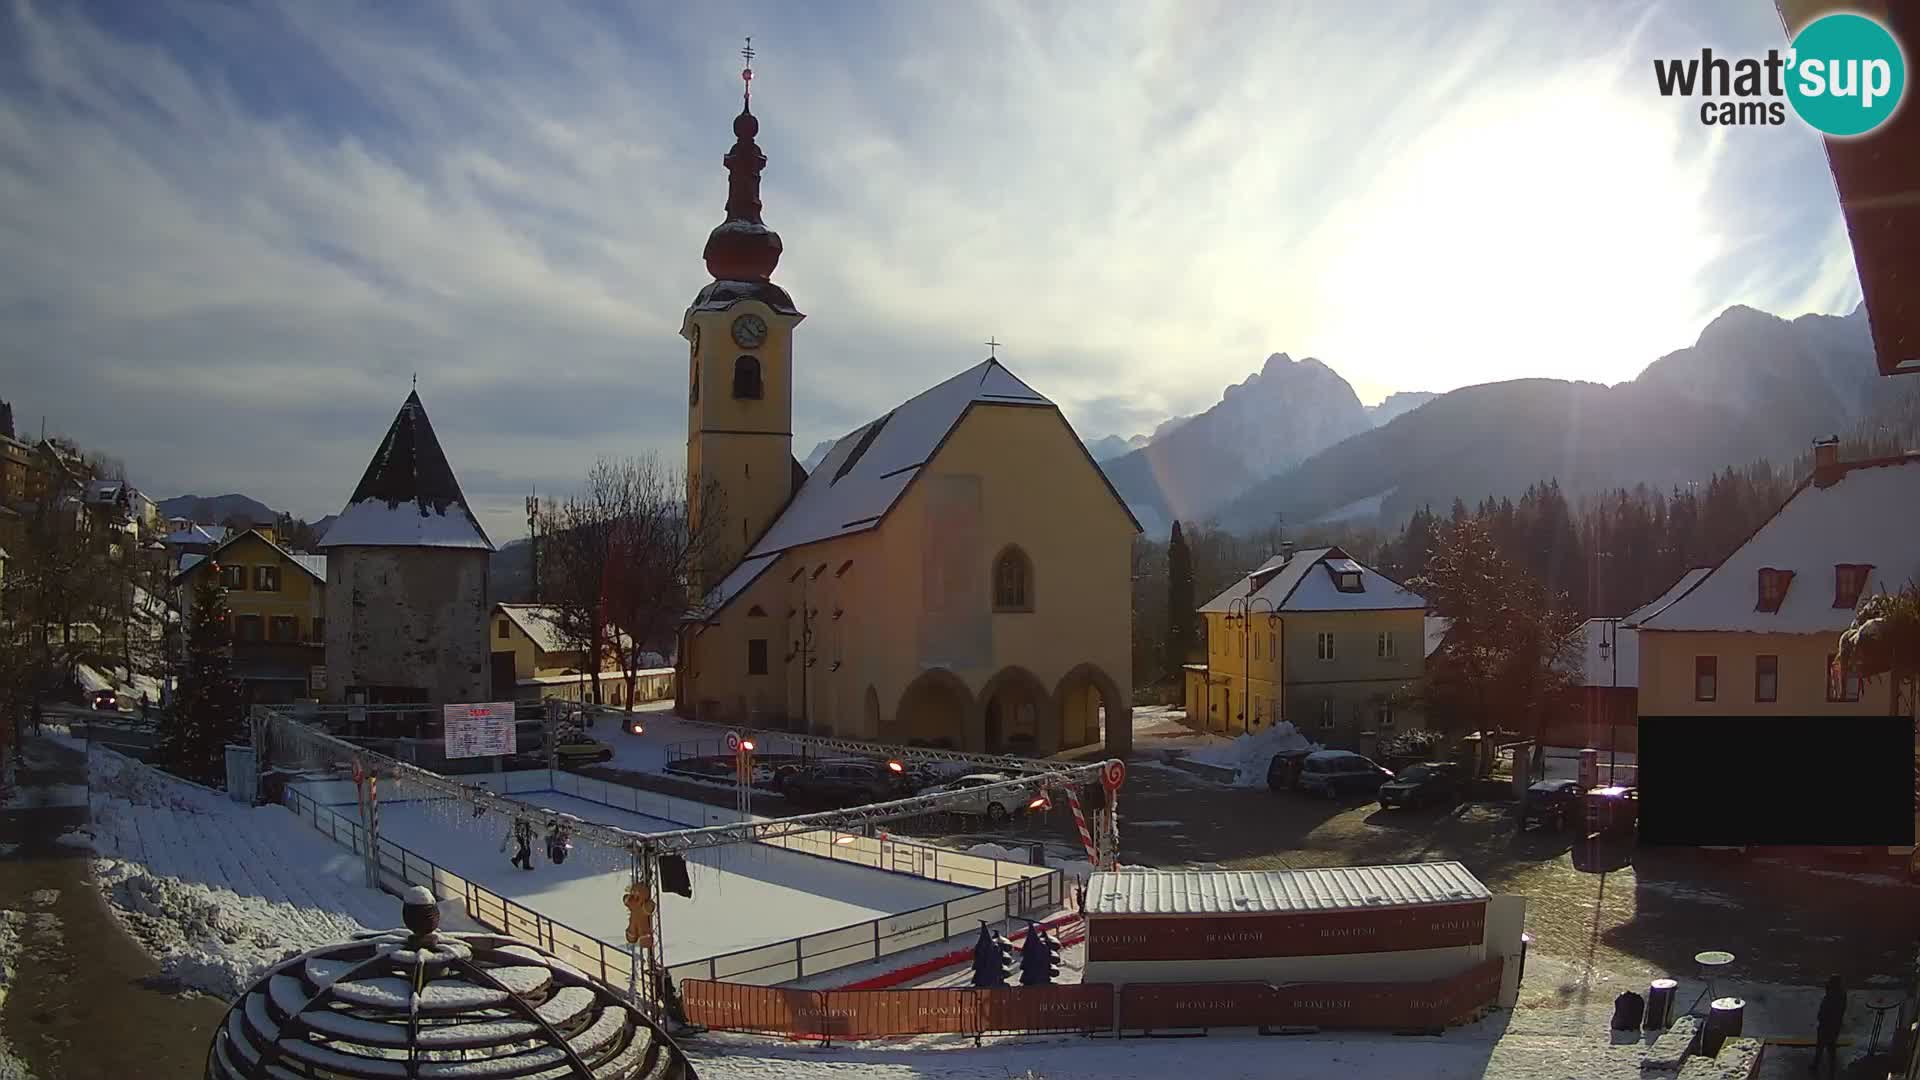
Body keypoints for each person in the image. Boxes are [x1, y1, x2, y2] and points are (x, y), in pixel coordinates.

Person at [1812, 974, 1846, 1074]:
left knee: (1822, 1046)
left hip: (1827, 1024)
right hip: (1834, 1025)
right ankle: (1830, 1068)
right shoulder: (1841, 994)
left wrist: (1821, 1018)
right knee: (1830, 1047)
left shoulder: (1833, 995)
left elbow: (1827, 1008)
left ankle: (1818, 1065)